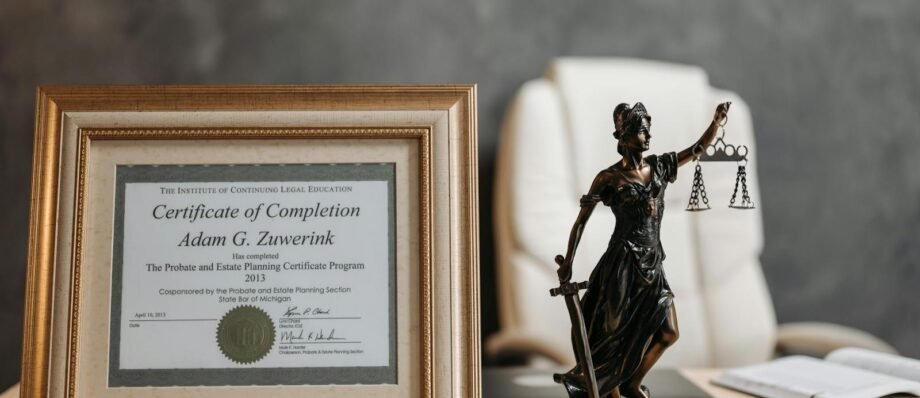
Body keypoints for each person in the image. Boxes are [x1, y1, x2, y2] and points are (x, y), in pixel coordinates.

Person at [554, 101, 730, 398]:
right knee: (614, 337)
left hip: (652, 264)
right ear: (624, 137)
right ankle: (613, 389)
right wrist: (567, 261)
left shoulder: (660, 166)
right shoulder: (608, 178)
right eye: (642, 131)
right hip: (621, 266)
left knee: (669, 332)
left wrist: (716, 123)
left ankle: (631, 383)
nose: (648, 137)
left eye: (649, 131)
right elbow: (581, 221)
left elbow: (697, 149)